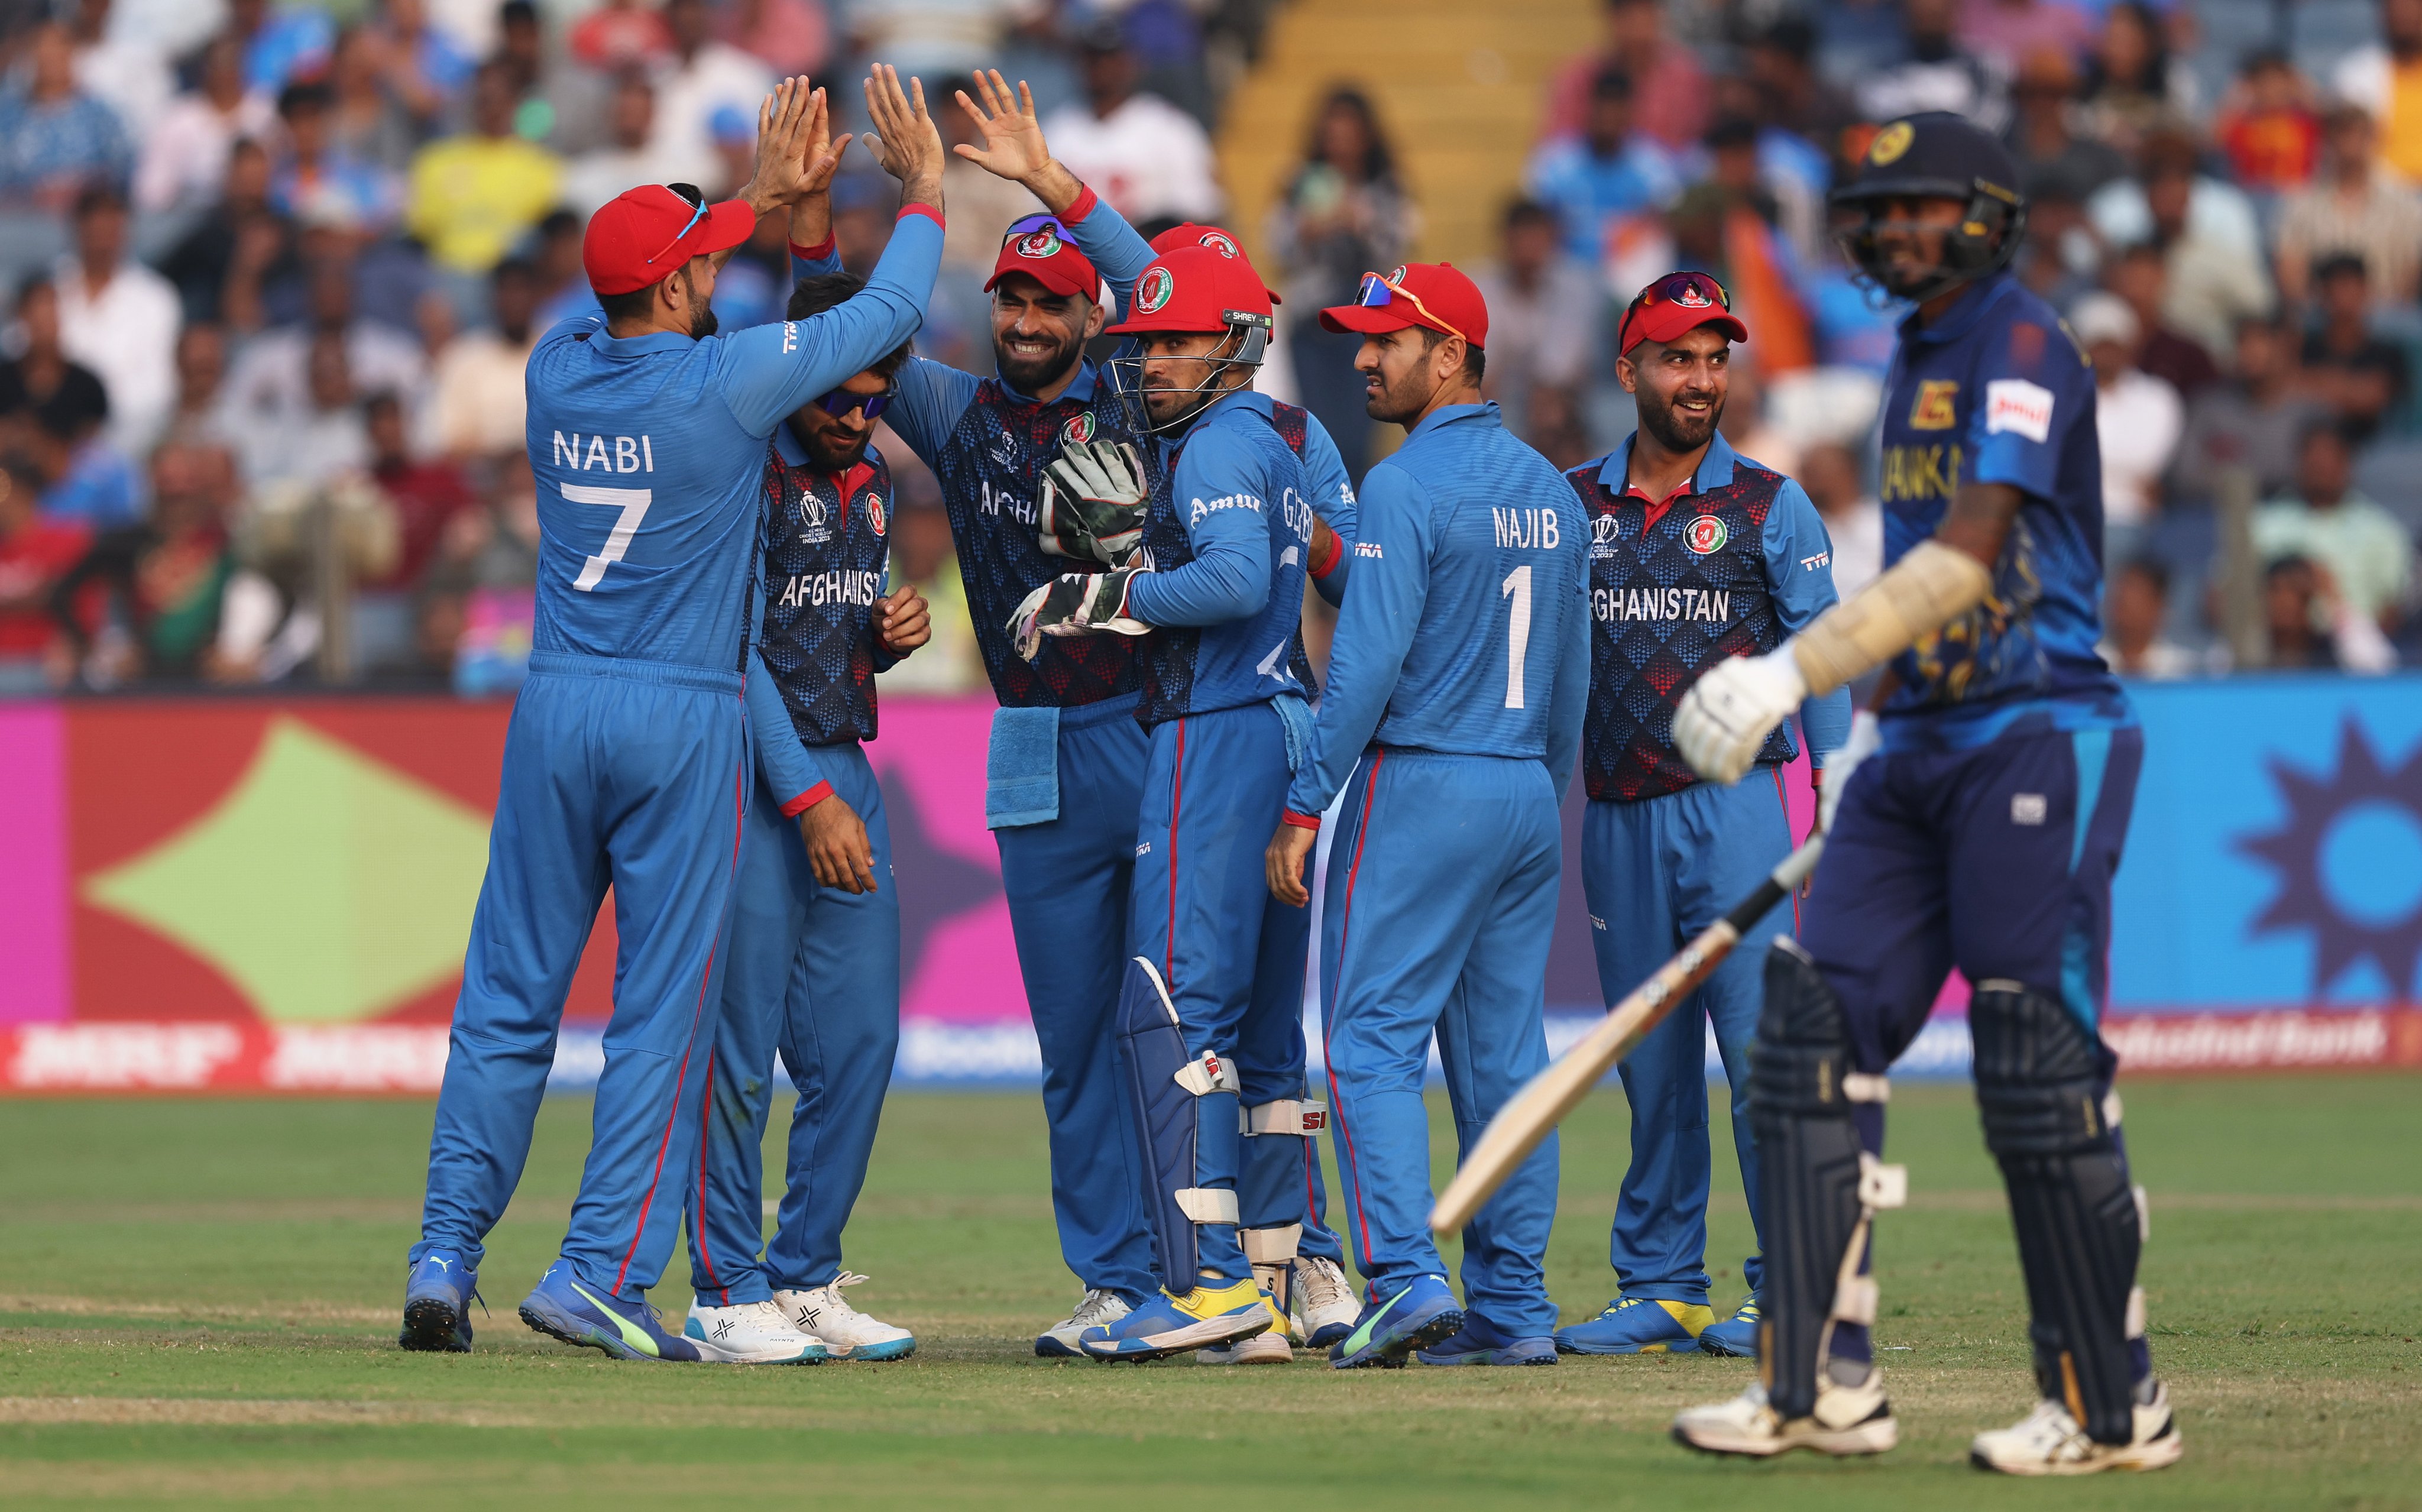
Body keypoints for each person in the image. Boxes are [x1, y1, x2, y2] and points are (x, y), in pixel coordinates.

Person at [399, 72, 946, 1365]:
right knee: (662, 1016)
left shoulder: (552, 373)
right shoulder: (729, 385)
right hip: (683, 714)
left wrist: (748, 209)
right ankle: (597, 1271)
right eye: (700, 264)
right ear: (679, 292)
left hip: (554, 704)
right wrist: (920, 195)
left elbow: (642, 300)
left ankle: (442, 1254)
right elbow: (891, 310)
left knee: (506, 1004)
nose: (716, 273)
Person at [1670, 112, 2181, 1475]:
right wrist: (1862, 740)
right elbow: (1910, 591)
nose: (1891, 228)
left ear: (1987, 213)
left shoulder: (2021, 342)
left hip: (2038, 730)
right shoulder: (1910, 357)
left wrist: (1788, 676)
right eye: (1876, 208)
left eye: (1919, 205)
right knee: (1804, 1041)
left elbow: (1965, 561)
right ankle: (1815, 1384)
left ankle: (2112, 1406)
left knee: (2029, 1058)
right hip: (1916, 743)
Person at [942, 70, 1365, 1361]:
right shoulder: (1266, 429)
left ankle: (1221, 1280)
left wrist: (1100, 596)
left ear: (1230, 335)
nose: (1153, 345)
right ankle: (1233, 1267)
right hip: (1193, 732)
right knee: (1185, 1029)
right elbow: (1342, 580)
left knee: (1181, 1012)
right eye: (1151, 338)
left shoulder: (1197, 423)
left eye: (1175, 333)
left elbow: (1275, 573)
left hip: (1188, 727)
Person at [1262, 261, 1587, 1369]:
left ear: (1449, 355)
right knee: (1504, 1062)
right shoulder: (1551, 489)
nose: (1362, 357)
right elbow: (1569, 680)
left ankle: (1402, 1276)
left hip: (1421, 785)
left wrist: (1306, 802)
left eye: (1386, 340)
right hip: (1524, 791)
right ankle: (1515, 1310)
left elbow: (1361, 668)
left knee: (1367, 1044)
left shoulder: (1404, 485)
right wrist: (1535, 786)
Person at [1547, 271, 1848, 1364]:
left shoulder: (1770, 503)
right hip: (1615, 815)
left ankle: (1796, 1288)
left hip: (1735, 817)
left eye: (1716, 359)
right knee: (1652, 1065)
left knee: (1766, 1062)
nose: (1701, 379)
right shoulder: (1570, 503)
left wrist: (1837, 779)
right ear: (1628, 369)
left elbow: (1825, 653)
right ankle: (1664, 1284)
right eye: (1678, 358)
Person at [681, 270, 932, 1364]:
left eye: (876, 397)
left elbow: (818, 634)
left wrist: (889, 634)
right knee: (738, 1054)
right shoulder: (741, 477)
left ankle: (808, 1276)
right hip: (756, 784)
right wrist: (807, 794)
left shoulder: (872, 479)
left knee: (861, 1045)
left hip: (844, 773)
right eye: (837, 397)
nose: (855, 416)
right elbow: (734, 656)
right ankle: (724, 1287)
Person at [1265, 87, 1417, 481]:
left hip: (1365, 326)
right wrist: (1307, 231)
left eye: (1349, 130)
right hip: (1312, 324)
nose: (1340, 140)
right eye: (1333, 130)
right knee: (1313, 431)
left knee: (1355, 433)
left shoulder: (1385, 187)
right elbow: (1277, 245)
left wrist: (1360, 219)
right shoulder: (1298, 183)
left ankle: (1351, 525)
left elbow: (1400, 246)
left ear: (1367, 135)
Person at [1038, 24, 1221, 225]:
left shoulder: (1171, 128)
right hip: (1071, 250)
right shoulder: (1055, 130)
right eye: (1093, 58)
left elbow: (1204, 213)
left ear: (1132, 63)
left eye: (1111, 57)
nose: (1102, 66)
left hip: (1148, 252)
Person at [2253, 421, 2413, 640]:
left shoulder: (2382, 532)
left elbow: (2395, 611)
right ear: (2298, 462)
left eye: (2329, 459)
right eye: (2313, 459)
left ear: (2347, 463)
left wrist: (2345, 622)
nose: (2321, 468)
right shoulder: (2263, 524)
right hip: (2270, 656)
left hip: (2355, 661)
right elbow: (2218, 598)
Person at [53, 186, 180, 459]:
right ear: (77, 227)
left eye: (111, 224)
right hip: (51, 442)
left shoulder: (155, 299)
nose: (102, 235)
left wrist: (99, 434)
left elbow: (157, 390)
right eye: (94, 224)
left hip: (128, 444)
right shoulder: (50, 293)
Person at [405, 61, 564, 279]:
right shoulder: (436, 161)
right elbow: (421, 233)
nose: (493, 108)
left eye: (501, 99)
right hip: (449, 275)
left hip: (513, 280)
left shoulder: (542, 167)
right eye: (485, 99)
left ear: (515, 102)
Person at [2273, 106, 2422, 312]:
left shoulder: (2406, 206)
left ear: (2374, 140)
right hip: (2321, 317)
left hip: (2385, 317)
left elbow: (2410, 274)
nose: (2350, 146)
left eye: (2359, 136)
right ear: (2328, 142)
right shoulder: (2300, 204)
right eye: (2342, 135)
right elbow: (2291, 274)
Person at [2296, 253, 2408, 443]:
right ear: (2321, 294)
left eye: (2350, 287)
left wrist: (2317, 382)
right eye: (2334, 288)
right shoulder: (2303, 347)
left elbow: (2374, 398)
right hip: (2310, 452)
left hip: (2374, 450)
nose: (2342, 297)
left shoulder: (2388, 352)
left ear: (2366, 291)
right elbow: (2288, 388)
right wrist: (2352, 389)